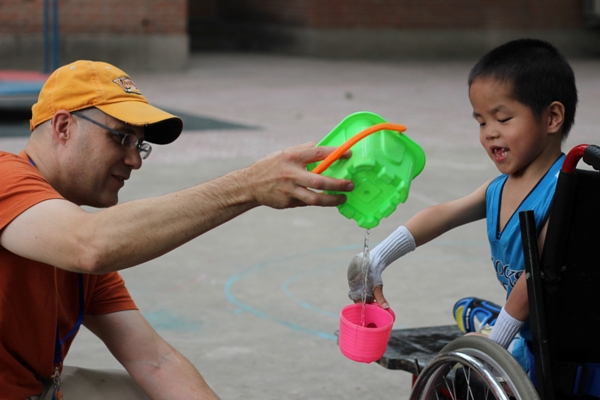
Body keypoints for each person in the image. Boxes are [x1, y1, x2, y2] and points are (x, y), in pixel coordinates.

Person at [0, 60, 355, 399]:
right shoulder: (6, 177)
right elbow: (90, 245)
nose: (135, 160)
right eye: (121, 138)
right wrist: (249, 185)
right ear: (64, 127)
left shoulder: (74, 242)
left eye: (139, 145)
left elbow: (155, 361)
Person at [346, 38, 578, 373]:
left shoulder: (564, 195)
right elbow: (444, 214)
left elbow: (533, 280)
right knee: (472, 321)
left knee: (475, 358)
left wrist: (495, 345)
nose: (489, 133)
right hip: (532, 333)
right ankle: (493, 327)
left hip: (560, 351)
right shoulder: (499, 189)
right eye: (482, 122)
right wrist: (376, 258)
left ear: (552, 117)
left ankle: (494, 330)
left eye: (503, 119)